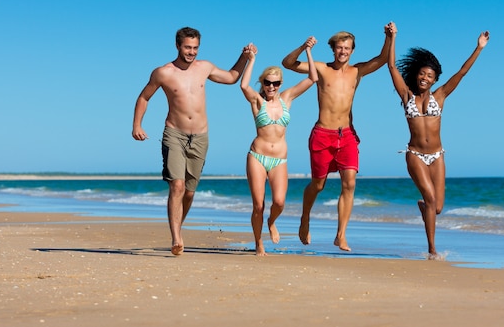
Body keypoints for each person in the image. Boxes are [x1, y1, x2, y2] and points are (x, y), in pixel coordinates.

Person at [132, 26, 255, 256]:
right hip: (174, 134)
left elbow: (231, 77)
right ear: (177, 46)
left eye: (195, 48)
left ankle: (178, 226)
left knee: (189, 192)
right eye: (188, 47)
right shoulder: (163, 72)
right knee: (176, 186)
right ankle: (176, 237)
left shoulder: (204, 67)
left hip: (200, 137)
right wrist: (137, 125)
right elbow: (144, 97)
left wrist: (245, 58)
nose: (192, 52)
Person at [282, 23, 396, 251]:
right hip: (322, 134)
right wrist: (304, 47)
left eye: (347, 48)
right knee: (318, 184)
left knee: (350, 183)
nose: (343, 51)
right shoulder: (322, 68)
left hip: (347, 135)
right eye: (339, 48)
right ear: (333, 49)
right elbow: (288, 64)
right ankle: (305, 218)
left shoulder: (357, 71)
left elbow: (383, 59)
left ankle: (341, 235)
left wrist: (389, 37)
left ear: (352, 51)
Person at [388, 29, 490, 259]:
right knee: (431, 198)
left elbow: (462, 73)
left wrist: (479, 47)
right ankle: (432, 249)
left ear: (435, 79)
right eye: (422, 74)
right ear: (417, 75)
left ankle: (424, 208)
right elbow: (392, 67)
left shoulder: (440, 96)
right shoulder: (406, 96)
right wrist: (391, 38)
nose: (424, 78)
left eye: (430, 76)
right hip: (414, 154)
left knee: (437, 208)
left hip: (437, 155)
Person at [240, 38, 319, 255]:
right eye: (267, 83)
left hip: (279, 160)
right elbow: (244, 85)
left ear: (281, 84)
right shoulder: (258, 101)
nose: (271, 87)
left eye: (275, 83)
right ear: (263, 83)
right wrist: (251, 59)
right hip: (257, 157)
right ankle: (258, 243)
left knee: (279, 202)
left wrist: (306, 50)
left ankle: (272, 222)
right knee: (258, 205)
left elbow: (313, 78)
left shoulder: (287, 98)